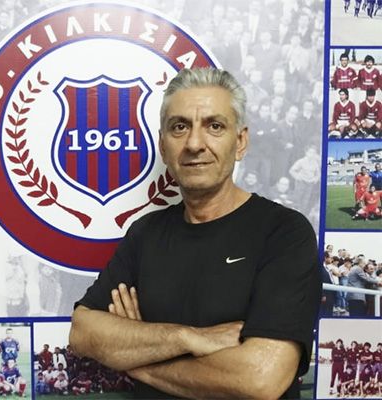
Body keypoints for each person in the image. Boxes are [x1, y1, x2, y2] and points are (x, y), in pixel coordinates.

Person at [69, 68, 320, 399]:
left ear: (240, 142)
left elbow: (260, 380)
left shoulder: (284, 233)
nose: (194, 144)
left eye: (214, 126)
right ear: (163, 145)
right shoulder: (145, 234)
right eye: (179, 127)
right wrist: (187, 338)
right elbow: (83, 332)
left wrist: (136, 358)